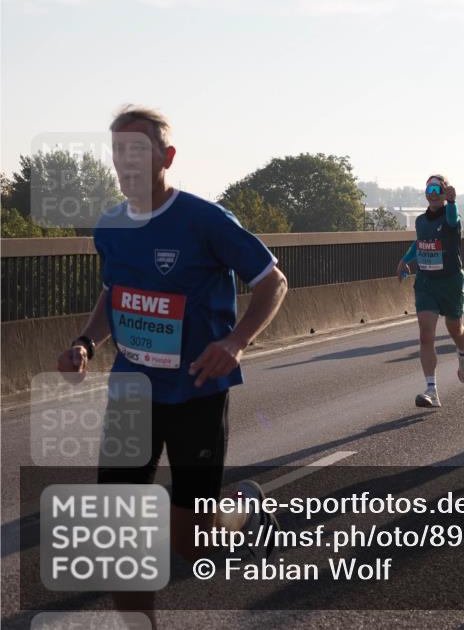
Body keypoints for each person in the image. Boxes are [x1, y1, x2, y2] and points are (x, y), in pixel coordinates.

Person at [56, 106, 289, 629]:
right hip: (132, 394)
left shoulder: (204, 219)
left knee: (190, 543)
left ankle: (243, 515)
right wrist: (86, 343)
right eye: (118, 151)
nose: (125, 162)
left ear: (167, 157)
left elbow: (274, 281)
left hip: (196, 394)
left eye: (137, 150)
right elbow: (112, 293)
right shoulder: (112, 225)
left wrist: (236, 340)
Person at [397, 175, 464, 408]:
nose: (433, 192)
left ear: (445, 191)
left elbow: (451, 220)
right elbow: (419, 244)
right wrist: (405, 260)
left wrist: (452, 201)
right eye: (429, 188)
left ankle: (462, 353)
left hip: (450, 282)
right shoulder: (420, 221)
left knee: (455, 329)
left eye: (437, 188)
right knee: (425, 335)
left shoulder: (452, 215)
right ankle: (431, 390)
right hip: (426, 282)